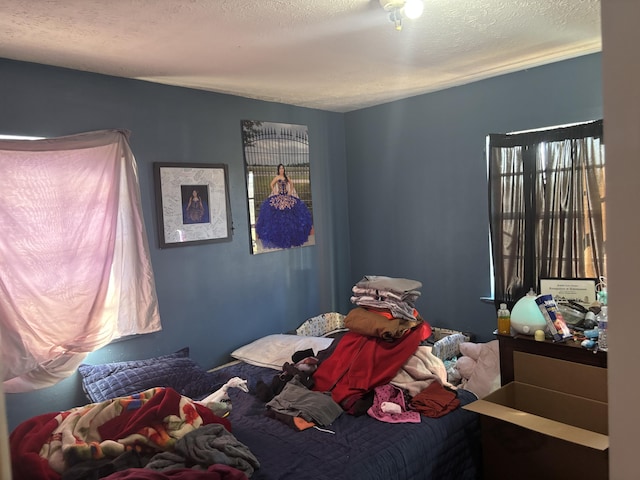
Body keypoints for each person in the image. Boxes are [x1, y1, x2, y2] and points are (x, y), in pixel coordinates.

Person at [255, 163, 313, 249]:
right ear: (278, 170)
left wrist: (290, 192)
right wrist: (274, 191)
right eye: (280, 169)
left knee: (291, 212)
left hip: (286, 196)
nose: (282, 170)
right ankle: (278, 234)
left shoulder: (286, 177)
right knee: (276, 212)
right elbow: (271, 184)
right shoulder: (277, 177)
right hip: (279, 196)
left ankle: (291, 233)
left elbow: (291, 184)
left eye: (283, 168)